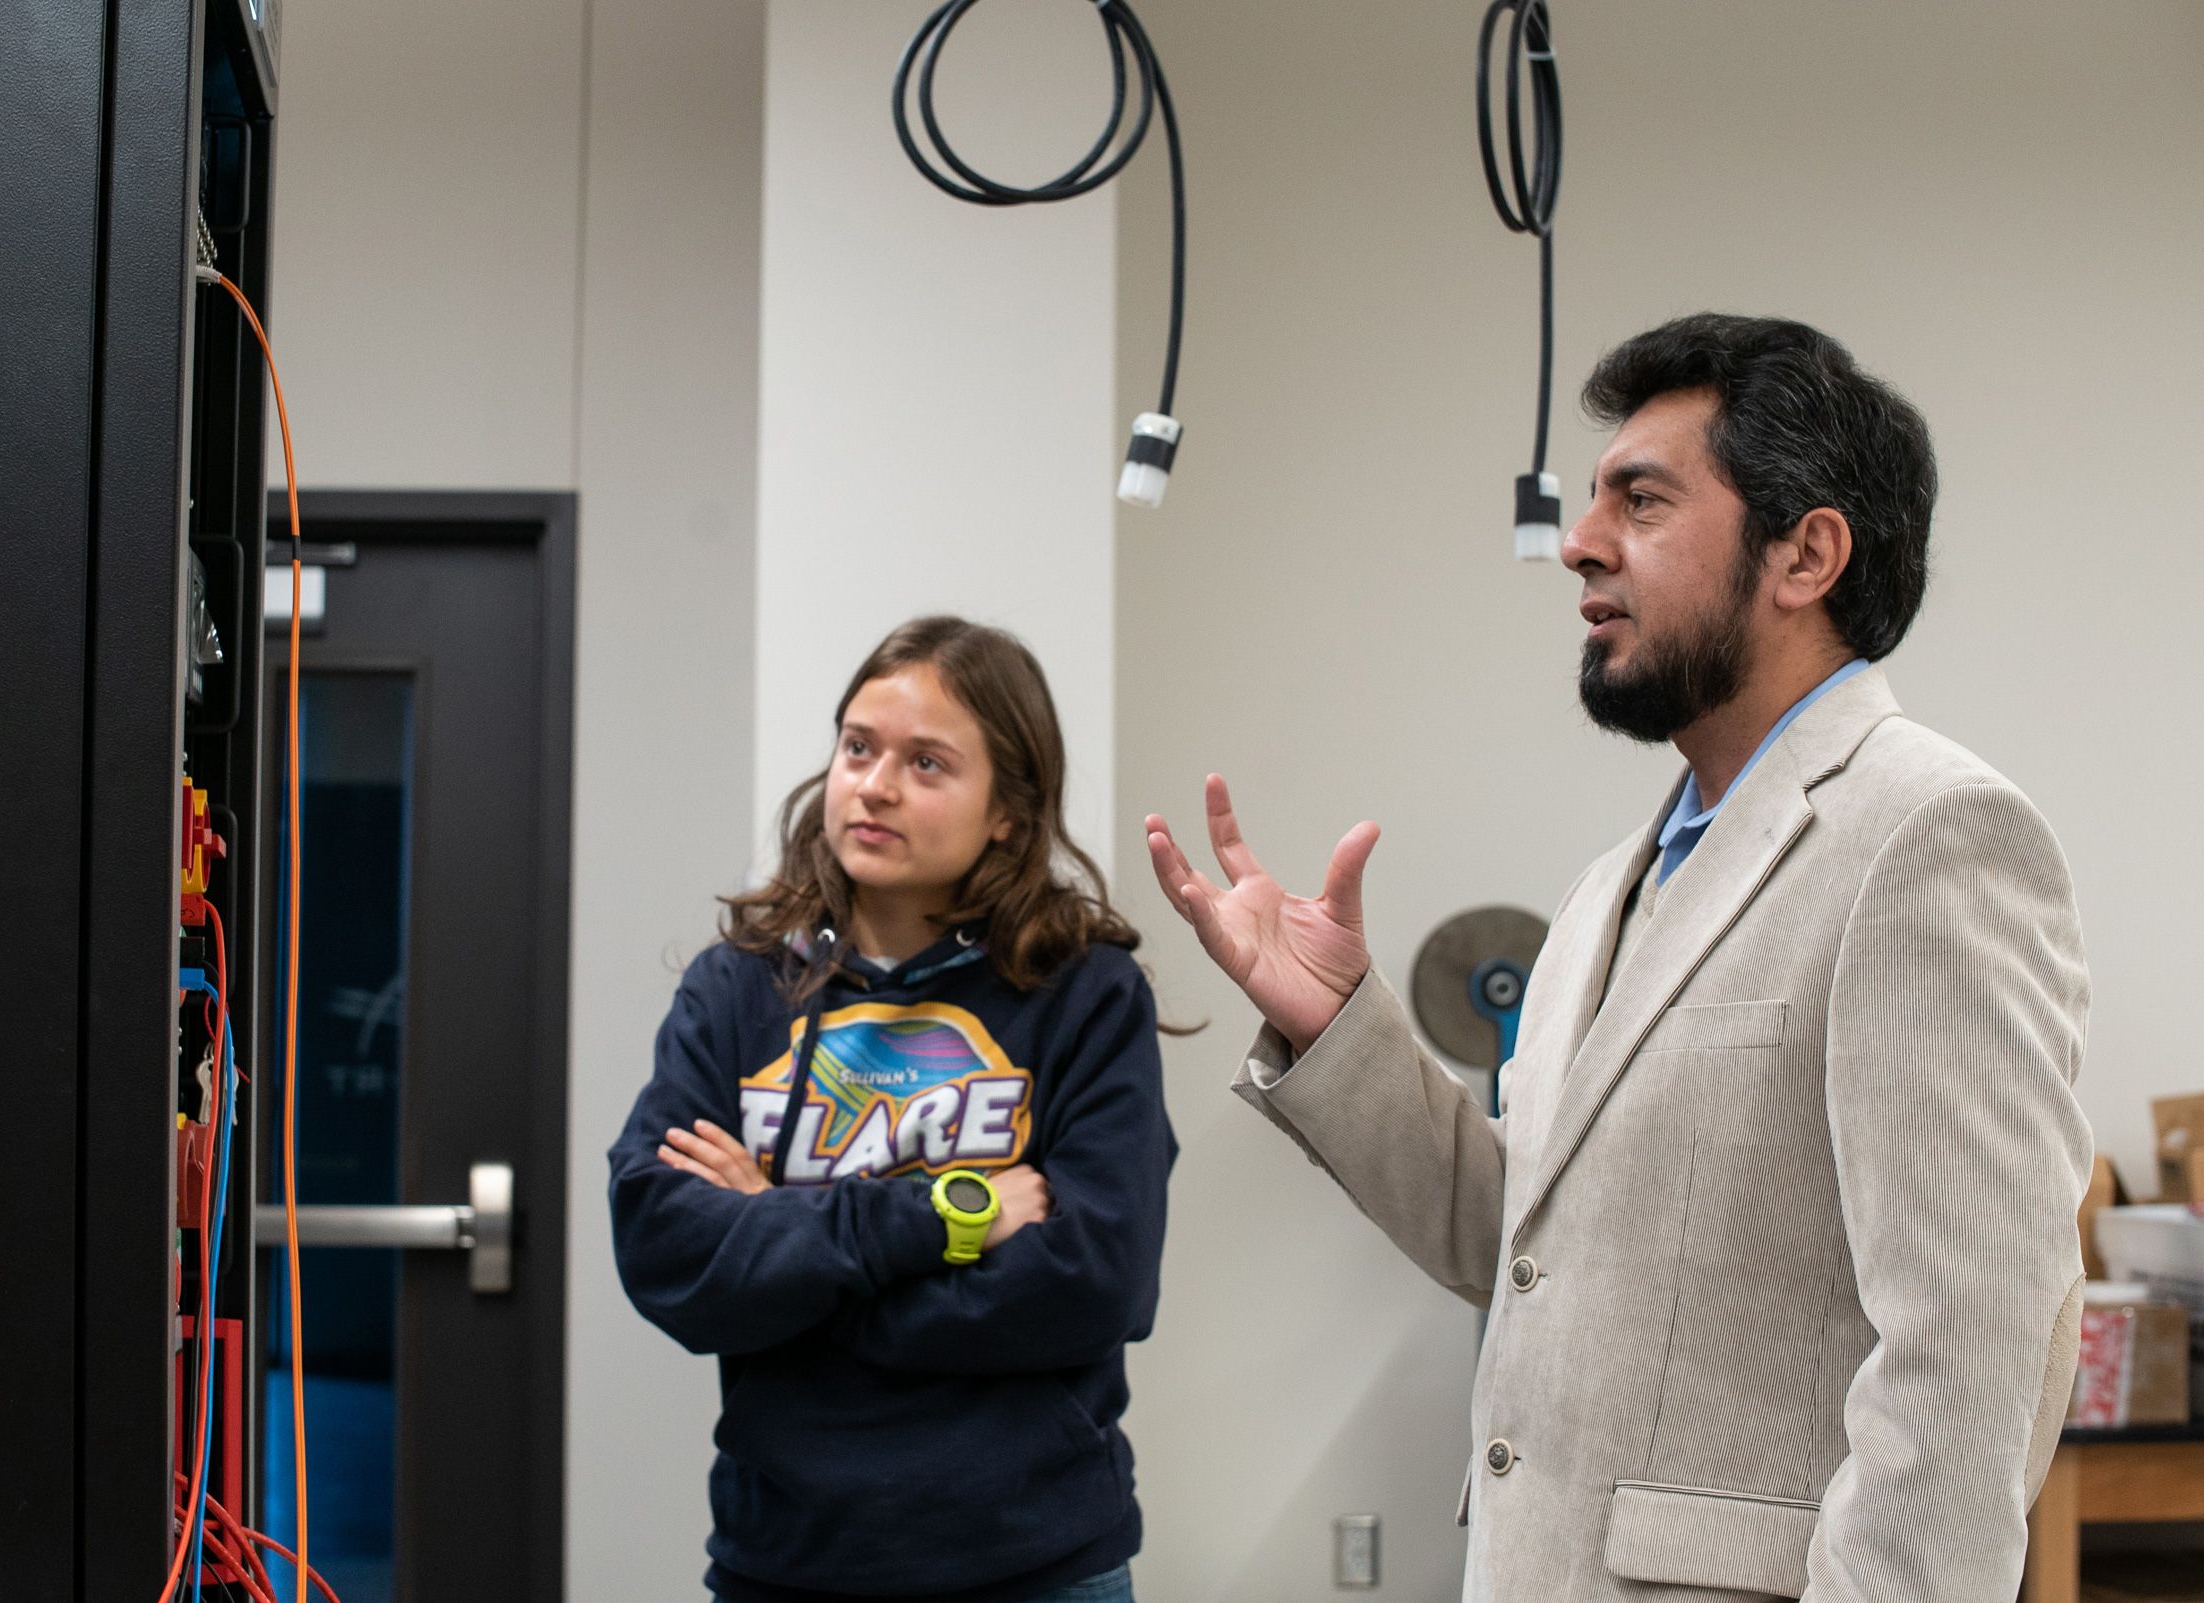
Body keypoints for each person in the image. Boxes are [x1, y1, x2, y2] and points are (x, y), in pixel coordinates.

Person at [1146, 314, 2092, 1600]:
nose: (1582, 544)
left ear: (1806, 552)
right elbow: (1529, 1251)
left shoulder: (1930, 833)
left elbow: (1977, 1349)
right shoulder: (1611, 888)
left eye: (1640, 501)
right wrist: (1340, 1031)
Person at [612, 616, 1174, 1603]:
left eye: (927, 763)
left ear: (1008, 809)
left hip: (1036, 1564)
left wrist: (788, 1268)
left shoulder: (1083, 992)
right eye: (858, 746)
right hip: (787, 1563)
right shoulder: (738, 989)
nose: (873, 784)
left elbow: (1095, 1281)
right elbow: (665, 1247)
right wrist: (943, 1220)